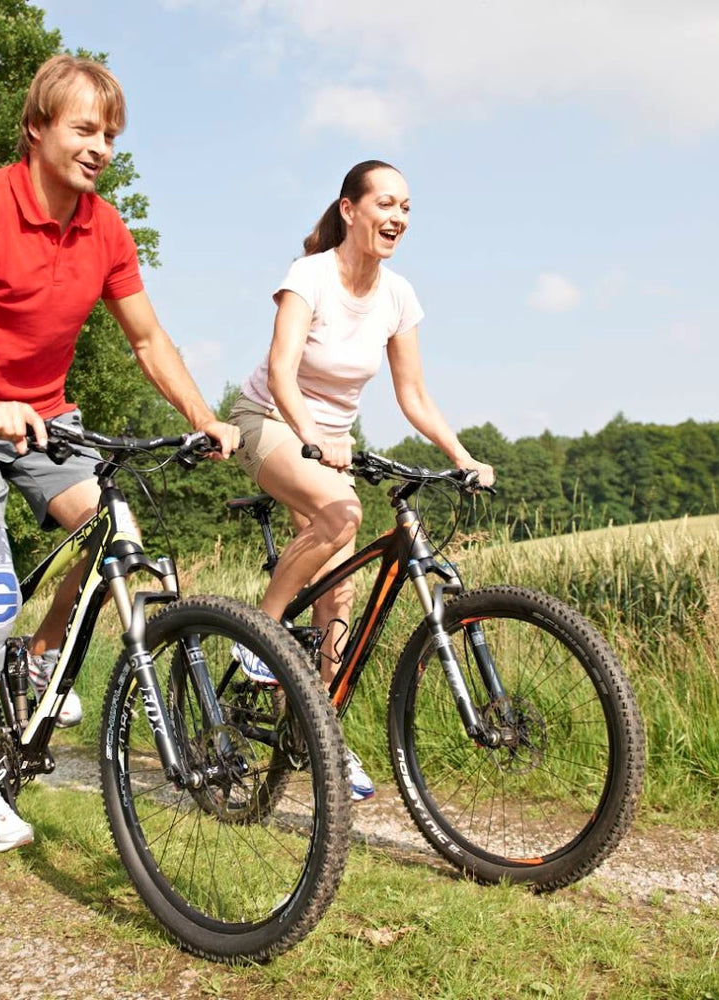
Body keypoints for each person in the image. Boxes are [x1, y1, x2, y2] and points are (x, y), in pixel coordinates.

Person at [0, 55, 239, 853]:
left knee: (117, 535)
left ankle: (44, 661)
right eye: (85, 129)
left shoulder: (105, 227)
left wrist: (202, 416)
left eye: (110, 134)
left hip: (46, 423)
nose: (100, 147)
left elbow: (148, 339)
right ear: (38, 128)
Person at [226, 160, 495, 801]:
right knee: (342, 514)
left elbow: (414, 396)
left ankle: (318, 738)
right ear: (349, 209)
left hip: (333, 444)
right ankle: (256, 637)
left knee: (338, 600)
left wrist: (461, 455)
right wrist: (311, 439)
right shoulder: (309, 277)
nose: (398, 216)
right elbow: (284, 373)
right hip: (271, 419)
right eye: (386, 202)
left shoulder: (399, 296)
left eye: (407, 206)